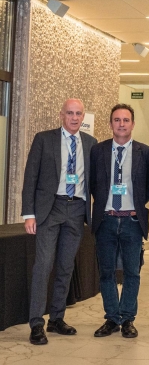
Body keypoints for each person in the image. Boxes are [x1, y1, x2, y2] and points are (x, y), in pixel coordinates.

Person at [22, 99, 97, 345]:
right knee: (43, 266)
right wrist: (28, 213)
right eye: (70, 113)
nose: (74, 118)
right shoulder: (44, 139)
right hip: (49, 209)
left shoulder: (90, 143)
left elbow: (95, 181)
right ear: (61, 115)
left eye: (78, 114)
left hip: (77, 209)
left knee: (66, 267)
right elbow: (30, 176)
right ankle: (36, 323)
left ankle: (57, 318)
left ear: (83, 116)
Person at [90, 104, 149, 338]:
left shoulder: (145, 152)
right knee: (106, 272)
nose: (121, 124)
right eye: (117, 120)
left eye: (126, 120)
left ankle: (127, 318)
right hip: (106, 220)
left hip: (131, 220)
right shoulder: (98, 151)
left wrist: (137, 205)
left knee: (132, 272)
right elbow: (92, 183)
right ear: (110, 124)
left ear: (133, 124)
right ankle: (111, 318)